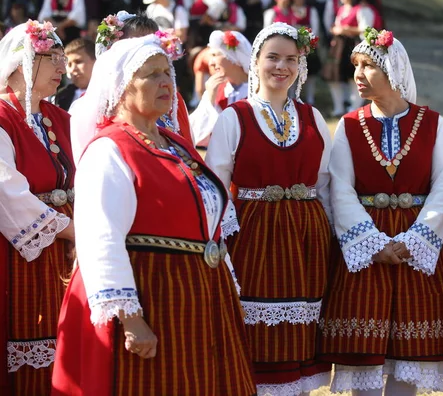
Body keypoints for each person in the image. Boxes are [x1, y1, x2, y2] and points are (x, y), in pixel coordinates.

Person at [50, 33, 256, 396]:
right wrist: (131, 319)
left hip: (197, 292)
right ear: (122, 87)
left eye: (167, 72)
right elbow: (101, 239)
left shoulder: (174, 143)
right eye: (152, 75)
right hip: (155, 291)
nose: (166, 81)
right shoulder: (110, 150)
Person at [317, 27, 443, 396]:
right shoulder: (349, 126)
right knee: (363, 351)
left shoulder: (432, 123)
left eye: (369, 65)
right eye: (356, 66)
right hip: (366, 251)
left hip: (416, 251)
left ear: (394, 71)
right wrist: (372, 243)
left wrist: (415, 241)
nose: (359, 75)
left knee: (409, 358)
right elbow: (341, 189)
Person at [206, 22, 333, 396]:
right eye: (273, 57)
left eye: (291, 59)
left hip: (306, 237)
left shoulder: (313, 118)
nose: (282, 67)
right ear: (255, 61)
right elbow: (215, 185)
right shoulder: (235, 116)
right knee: (257, 334)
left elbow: (326, 183)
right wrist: (223, 242)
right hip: (254, 237)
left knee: (300, 335)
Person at [0, 20, 75, 396]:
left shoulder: (59, 118)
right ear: (20, 63)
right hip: (24, 257)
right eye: (52, 57)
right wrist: (73, 231)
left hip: (68, 251)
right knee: (33, 335)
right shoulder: (1, 119)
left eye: (63, 58)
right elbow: (6, 192)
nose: (63, 68)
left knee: (72, 342)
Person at [70, 11, 193, 163]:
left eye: (155, 43)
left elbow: (190, 149)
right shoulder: (88, 107)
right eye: (139, 46)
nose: (150, 52)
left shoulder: (173, 100)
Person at [189, 30, 250, 148]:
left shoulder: (258, 91)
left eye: (215, 55)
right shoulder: (218, 90)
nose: (211, 63)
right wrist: (209, 100)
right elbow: (194, 134)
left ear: (234, 58)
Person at [323, 0, 382, 117]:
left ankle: (354, 107)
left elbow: (366, 30)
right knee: (334, 77)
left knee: (354, 77)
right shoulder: (342, 9)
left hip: (354, 46)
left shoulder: (362, 9)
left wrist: (345, 29)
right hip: (339, 47)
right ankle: (338, 107)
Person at [290, 0, 320, 105]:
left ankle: (310, 98)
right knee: (292, 70)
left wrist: (307, 40)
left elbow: (315, 28)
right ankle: (292, 97)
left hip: (307, 45)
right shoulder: (289, 10)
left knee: (310, 72)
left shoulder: (310, 10)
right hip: (292, 45)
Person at [56, 37, 95, 111]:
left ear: (96, 61)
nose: (73, 69)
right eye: (69, 64)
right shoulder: (61, 96)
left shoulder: (110, 92)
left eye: (78, 61)